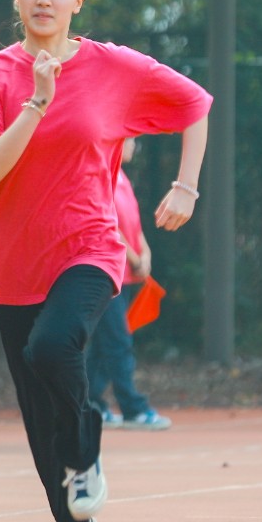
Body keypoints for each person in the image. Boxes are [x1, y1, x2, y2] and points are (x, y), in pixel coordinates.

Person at [0, 0, 210, 522]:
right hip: (13, 263)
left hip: (89, 246)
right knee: (39, 421)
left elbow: (195, 104)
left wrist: (186, 186)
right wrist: (36, 101)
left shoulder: (113, 66)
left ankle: (87, 453)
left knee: (54, 345)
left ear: (78, 1)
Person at [84, 137, 171, 430]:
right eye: (130, 138)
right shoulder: (101, 176)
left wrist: (145, 254)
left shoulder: (122, 177)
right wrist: (134, 258)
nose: (134, 144)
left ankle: (91, 404)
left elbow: (134, 226)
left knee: (103, 343)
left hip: (126, 274)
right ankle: (134, 408)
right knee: (118, 342)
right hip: (106, 274)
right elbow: (107, 224)